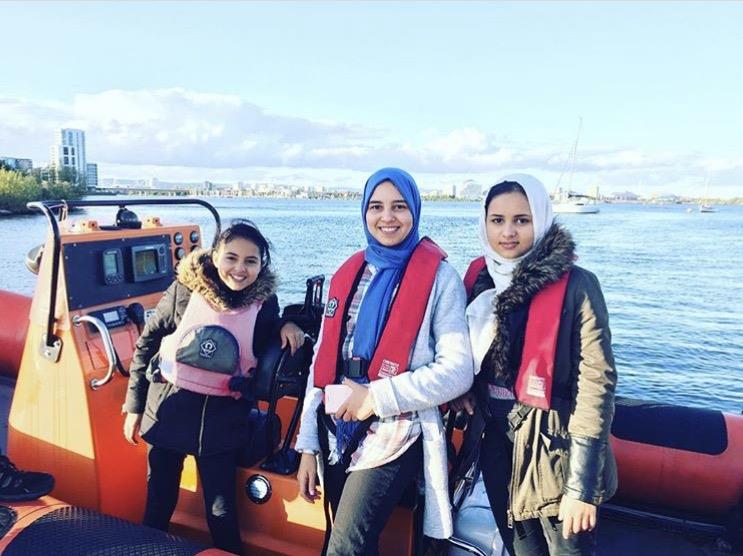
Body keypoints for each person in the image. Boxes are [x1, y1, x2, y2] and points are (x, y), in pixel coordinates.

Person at [295, 167, 473, 556]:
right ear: (363, 211)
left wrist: (376, 398)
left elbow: (458, 370)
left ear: (415, 211)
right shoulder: (349, 272)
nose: (387, 217)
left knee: (345, 547)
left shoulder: (440, 279)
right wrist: (308, 444)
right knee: (347, 540)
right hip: (336, 427)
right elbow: (321, 364)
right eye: (376, 206)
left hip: (397, 430)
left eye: (399, 207)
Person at [454, 175, 617, 556]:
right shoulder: (480, 280)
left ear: (541, 220)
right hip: (498, 446)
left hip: (555, 454)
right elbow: (467, 354)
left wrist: (581, 487)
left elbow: (597, 384)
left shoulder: (579, 286)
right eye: (497, 220)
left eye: (521, 220)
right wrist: (463, 389)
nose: (508, 232)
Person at [122, 219, 305, 555]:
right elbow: (146, 343)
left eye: (251, 261)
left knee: (221, 512)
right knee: (159, 500)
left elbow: (268, 331)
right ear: (216, 255)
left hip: (221, 425)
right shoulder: (183, 291)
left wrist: (289, 323)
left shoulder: (264, 305)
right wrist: (133, 406)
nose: (239, 269)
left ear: (261, 265)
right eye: (231, 258)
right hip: (168, 414)